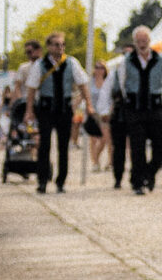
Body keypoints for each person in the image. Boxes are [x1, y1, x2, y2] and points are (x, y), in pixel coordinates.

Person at [109, 26, 162, 194]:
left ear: (149, 41)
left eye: (145, 40)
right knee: (137, 146)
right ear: (135, 42)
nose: (142, 44)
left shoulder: (160, 58)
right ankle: (137, 182)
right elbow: (122, 83)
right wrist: (130, 99)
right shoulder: (126, 61)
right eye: (139, 41)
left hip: (154, 107)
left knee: (160, 144)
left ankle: (150, 172)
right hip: (134, 108)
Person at [30, 31, 79, 194]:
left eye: (62, 44)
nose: (60, 47)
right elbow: (31, 88)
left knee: (63, 147)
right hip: (46, 109)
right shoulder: (40, 64)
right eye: (57, 44)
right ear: (49, 47)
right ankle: (43, 180)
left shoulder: (71, 63)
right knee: (44, 145)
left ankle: (61, 181)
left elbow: (83, 83)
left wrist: (85, 103)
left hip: (64, 109)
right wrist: (29, 110)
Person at [84, 60, 111, 173]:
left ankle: (98, 158)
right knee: (93, 139)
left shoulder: (108, 82)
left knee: (104, 139)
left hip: (104, 114)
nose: (99, 70)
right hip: (92, 113)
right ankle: (95, 162)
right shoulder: (90, 82)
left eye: (101, 68)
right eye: (97, 67)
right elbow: (84, 95)